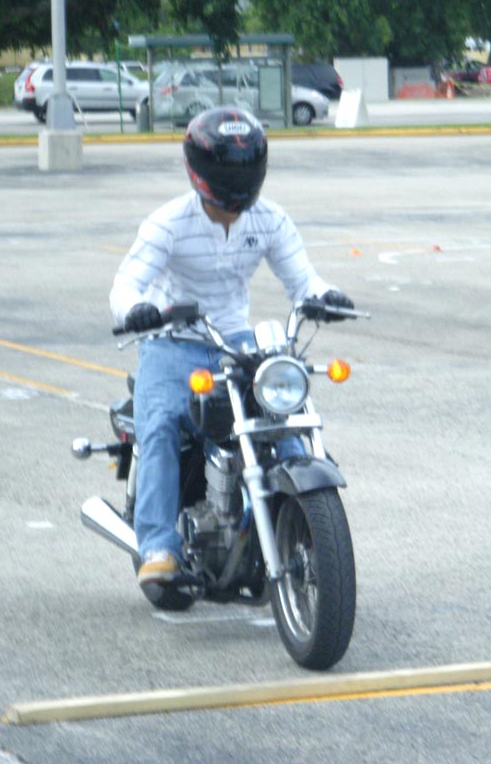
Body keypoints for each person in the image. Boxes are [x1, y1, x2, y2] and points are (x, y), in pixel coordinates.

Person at [109, 106, 353, 588]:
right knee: (160, 425)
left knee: (282, 422)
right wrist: (136, 310)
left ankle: (302, 522)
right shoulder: (168, 222)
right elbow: (125, 285)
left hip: (234, 340)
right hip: (171, 340)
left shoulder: (269, 219)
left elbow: (302, 280)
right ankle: (158, 545)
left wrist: (325, 297)